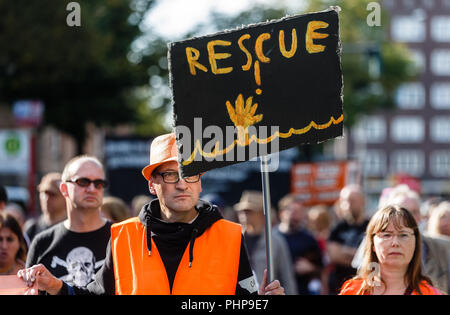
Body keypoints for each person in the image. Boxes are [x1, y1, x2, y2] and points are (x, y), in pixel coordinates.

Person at [19, 133, 284, 295]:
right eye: (170, 175)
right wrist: (56, 287)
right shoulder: (123, 237)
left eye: (190, 175)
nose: (181, 184)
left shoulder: (228, 236)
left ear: (200, 181)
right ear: (151, 184)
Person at [24, 155, 112, 289]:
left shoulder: (119, 238)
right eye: (83, 182)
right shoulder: (43, 242)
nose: (92, 189)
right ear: (64, 189)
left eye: (99, 183)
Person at [340, 205, 442, 295]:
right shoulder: (353, 291)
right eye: (387, 235)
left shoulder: (430, 293)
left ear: (415, 243)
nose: (395, 243)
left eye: (403, 235)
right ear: (373, 245)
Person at [235, 190, 297, 294]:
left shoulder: (276, 241)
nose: (244, 214)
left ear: (262, 213)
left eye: (250, 210)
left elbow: (287, 277)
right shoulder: (234, 239)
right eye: (242, 210)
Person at [276, 194, 323, 295]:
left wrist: (310, 268)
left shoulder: (309, 239)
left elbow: (322, 268)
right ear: (281, 213)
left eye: (299, 212)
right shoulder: (272, 238)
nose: (296, 216)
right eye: (292, 211)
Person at [327, 184, 369, 294]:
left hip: (364, 287)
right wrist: (359, 255)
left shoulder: (371, 226)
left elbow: (372, 258)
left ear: (362, 202)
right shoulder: (337, 228)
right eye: (344, 201)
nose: (347, 205)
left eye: (352, 201)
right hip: (340, 286)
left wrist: (344, 251)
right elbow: (334, 256)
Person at [24, 172, 67, 242]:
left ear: (65, 197)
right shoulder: (32, 228)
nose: (46, 198)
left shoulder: (72, 228)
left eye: (52, 194)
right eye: (44, 193)